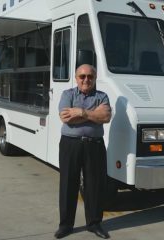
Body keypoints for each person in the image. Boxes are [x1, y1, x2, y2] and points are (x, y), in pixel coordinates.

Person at [55, 64, 112, 239]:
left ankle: (94, 224)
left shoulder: (102, 96)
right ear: (76, 77)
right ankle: (65, 225)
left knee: (94, 186)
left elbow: (106, 117)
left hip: (94, 145)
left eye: (90, 76)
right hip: (70, 144)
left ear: (95, 78)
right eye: (82, 76)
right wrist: (93, 114)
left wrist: (80, 112)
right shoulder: (67, 94)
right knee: (68, 184)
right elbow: (66, 118)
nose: (86, 79)